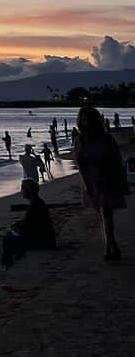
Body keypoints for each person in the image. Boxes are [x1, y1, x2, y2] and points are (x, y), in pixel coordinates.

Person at [74, 105, 127, 261]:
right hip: (93, 181)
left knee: (106, 215)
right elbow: (81, 165)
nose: (86, 122)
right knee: (103, 215)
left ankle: (109, 247)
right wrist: (87, 185)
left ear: (95, 120)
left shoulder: (105, 138)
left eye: (88, 119)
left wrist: (119, 178)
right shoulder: (81, 140)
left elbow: (116, 159)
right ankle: (111, 245)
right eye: (83, 119)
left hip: (109, 179)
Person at [1, 180, 56, 270]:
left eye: (22, 188)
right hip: (46, 238)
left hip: (43, 242)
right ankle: (15, 259)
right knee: (13, 235)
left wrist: (16, 228)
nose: (21, 191)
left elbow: (28, 226)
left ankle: (6, 266)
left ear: (28, 191)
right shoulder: (37, 202)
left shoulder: (34, 205)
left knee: (7, 239)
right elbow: (30, 223)